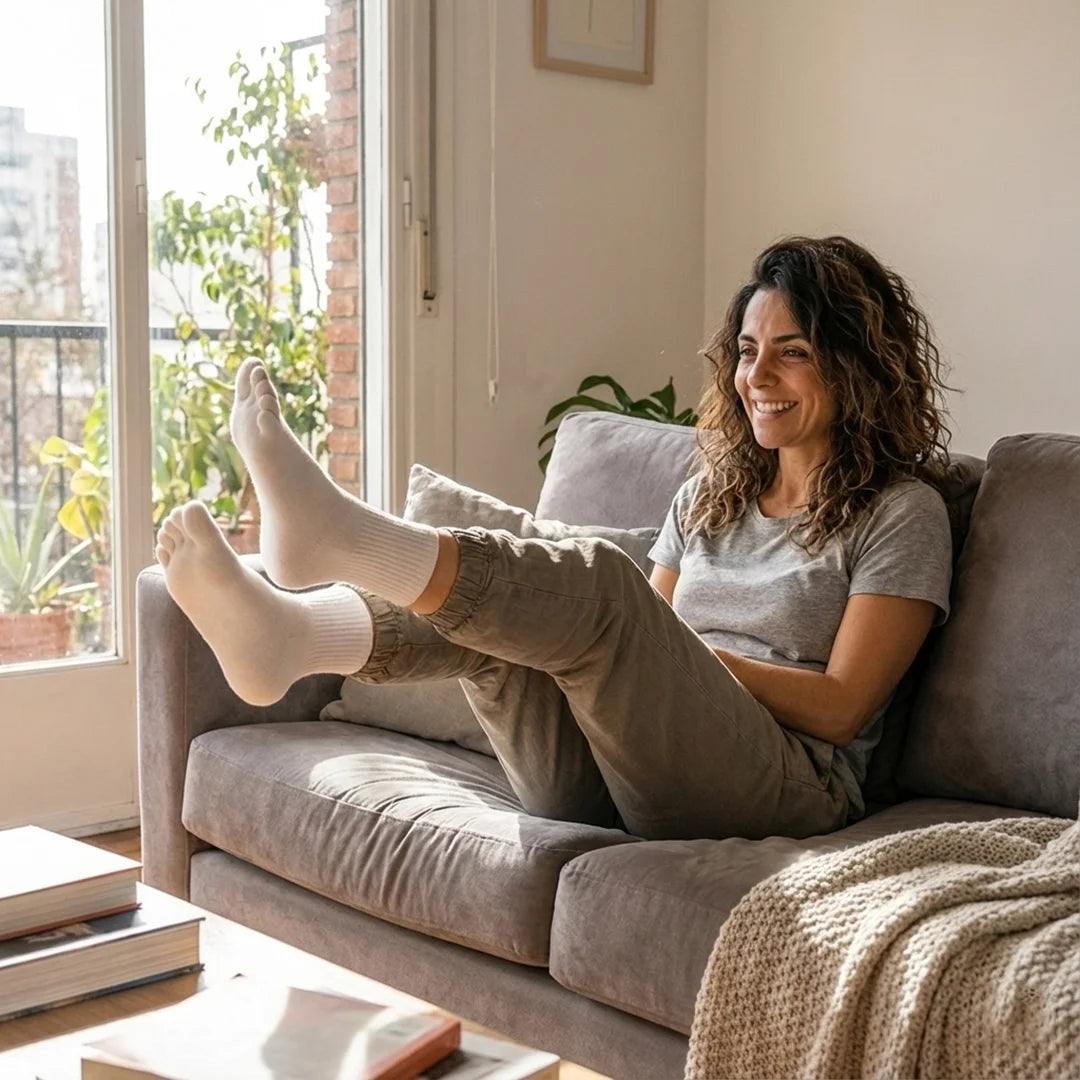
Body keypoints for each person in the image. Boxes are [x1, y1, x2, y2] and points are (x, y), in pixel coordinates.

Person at [155, 235, 953, 842]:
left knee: (607, 590)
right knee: (504, 626)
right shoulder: (711, 497)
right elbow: (645, 652)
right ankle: (291, 635)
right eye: (747, 352)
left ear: (855, 369)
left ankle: (345, 541)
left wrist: (675, 658)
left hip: (788, 785)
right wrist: (653, 655)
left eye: (794, 354)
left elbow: (846, 707)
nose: (757, 378)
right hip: (610, 781)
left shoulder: (901, 512)